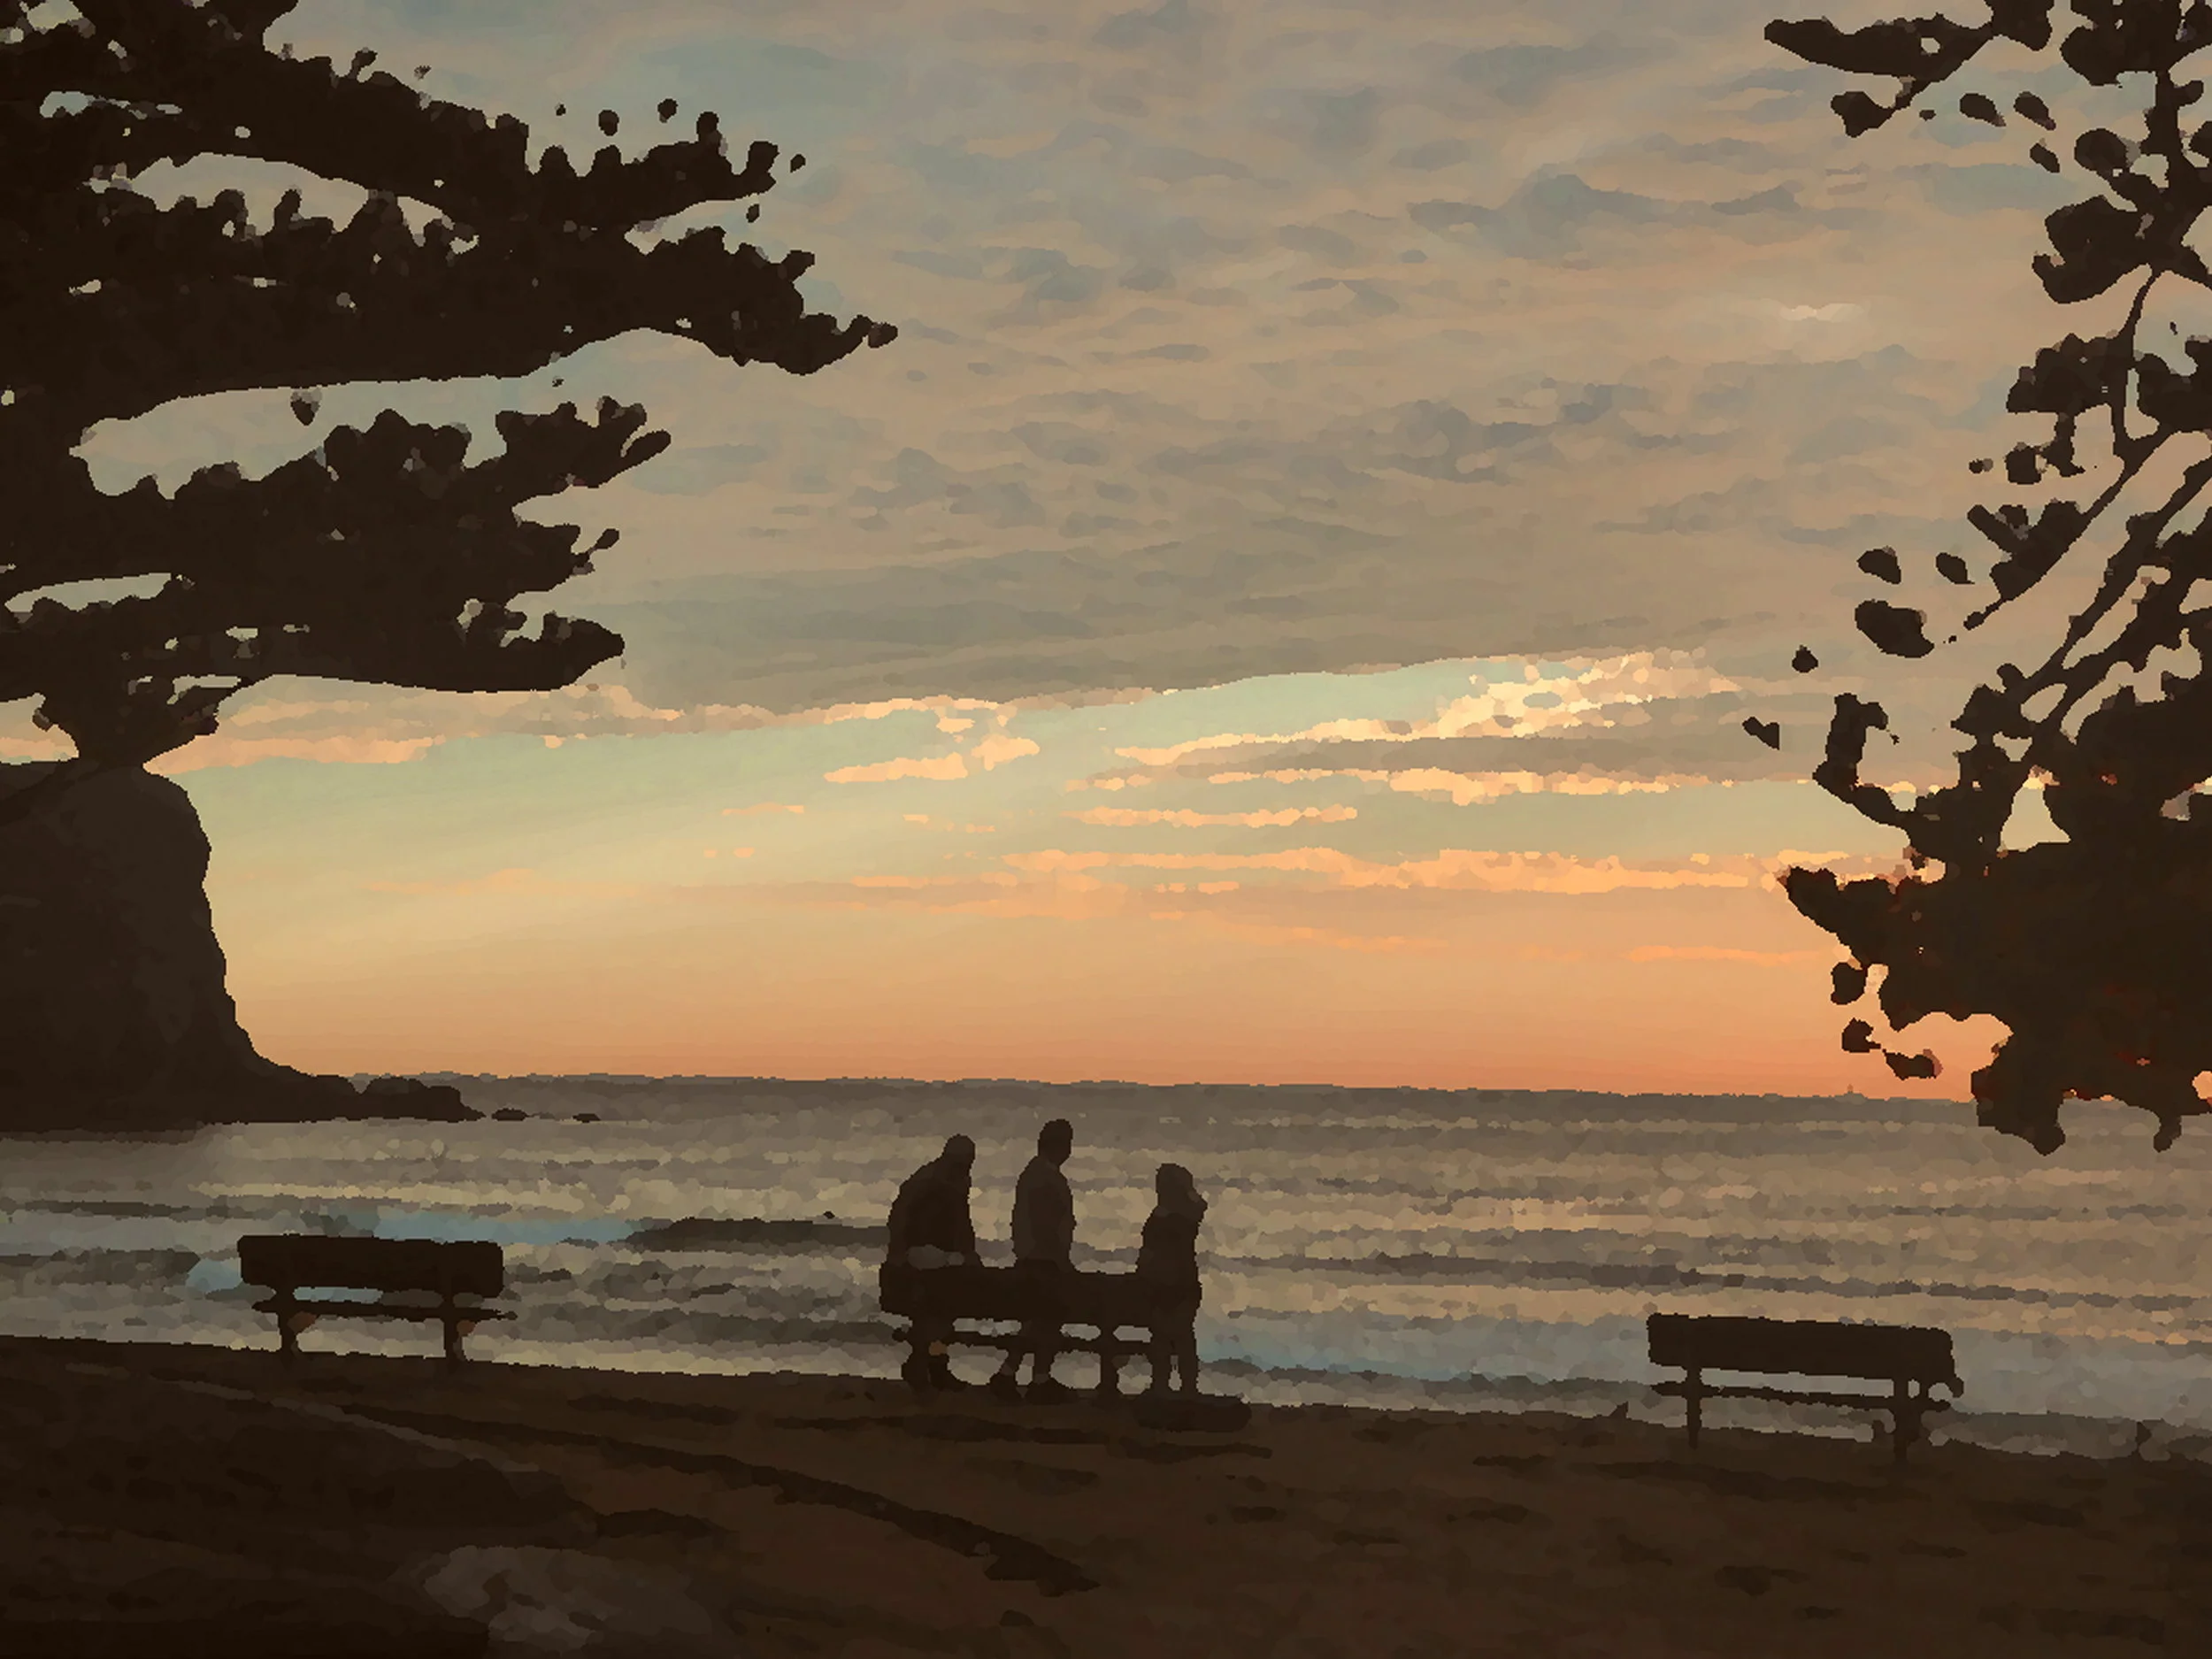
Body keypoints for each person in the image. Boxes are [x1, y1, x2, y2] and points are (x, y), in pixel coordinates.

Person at [882, 1134, 979, 1394]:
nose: (967, 1167)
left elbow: (960, 1223)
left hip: (931, 1257)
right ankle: (927, 1364)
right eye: (965, 1162)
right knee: (940, 1312)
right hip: (925, 1255)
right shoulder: (933, 1181)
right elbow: (902, 1218)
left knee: (941, 1313)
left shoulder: (940, 1179)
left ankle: (933, 1363)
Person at [990, 1118, 1076, 1404]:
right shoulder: (1045, 1179)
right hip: (1043, 1261)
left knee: (1036, 1320)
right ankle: (1030, 1376)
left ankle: (1019, 1373)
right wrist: (1061, 1260)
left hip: (1034, 1258)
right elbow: (1046, 1225)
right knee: (1045, 1319)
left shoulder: (1033, 1175)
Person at [1137, 1163, 1206, 1395]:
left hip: (1165, 1284)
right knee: (1183, 1337)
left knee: (1163, 1338)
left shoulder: (1159, 1220)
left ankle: (1162, 1385)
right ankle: (1187, 1387)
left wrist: (1142, 1274)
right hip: (1184, 1283)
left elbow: (1147, 1255)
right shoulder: (1188, 1217)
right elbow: (1200, 1204)